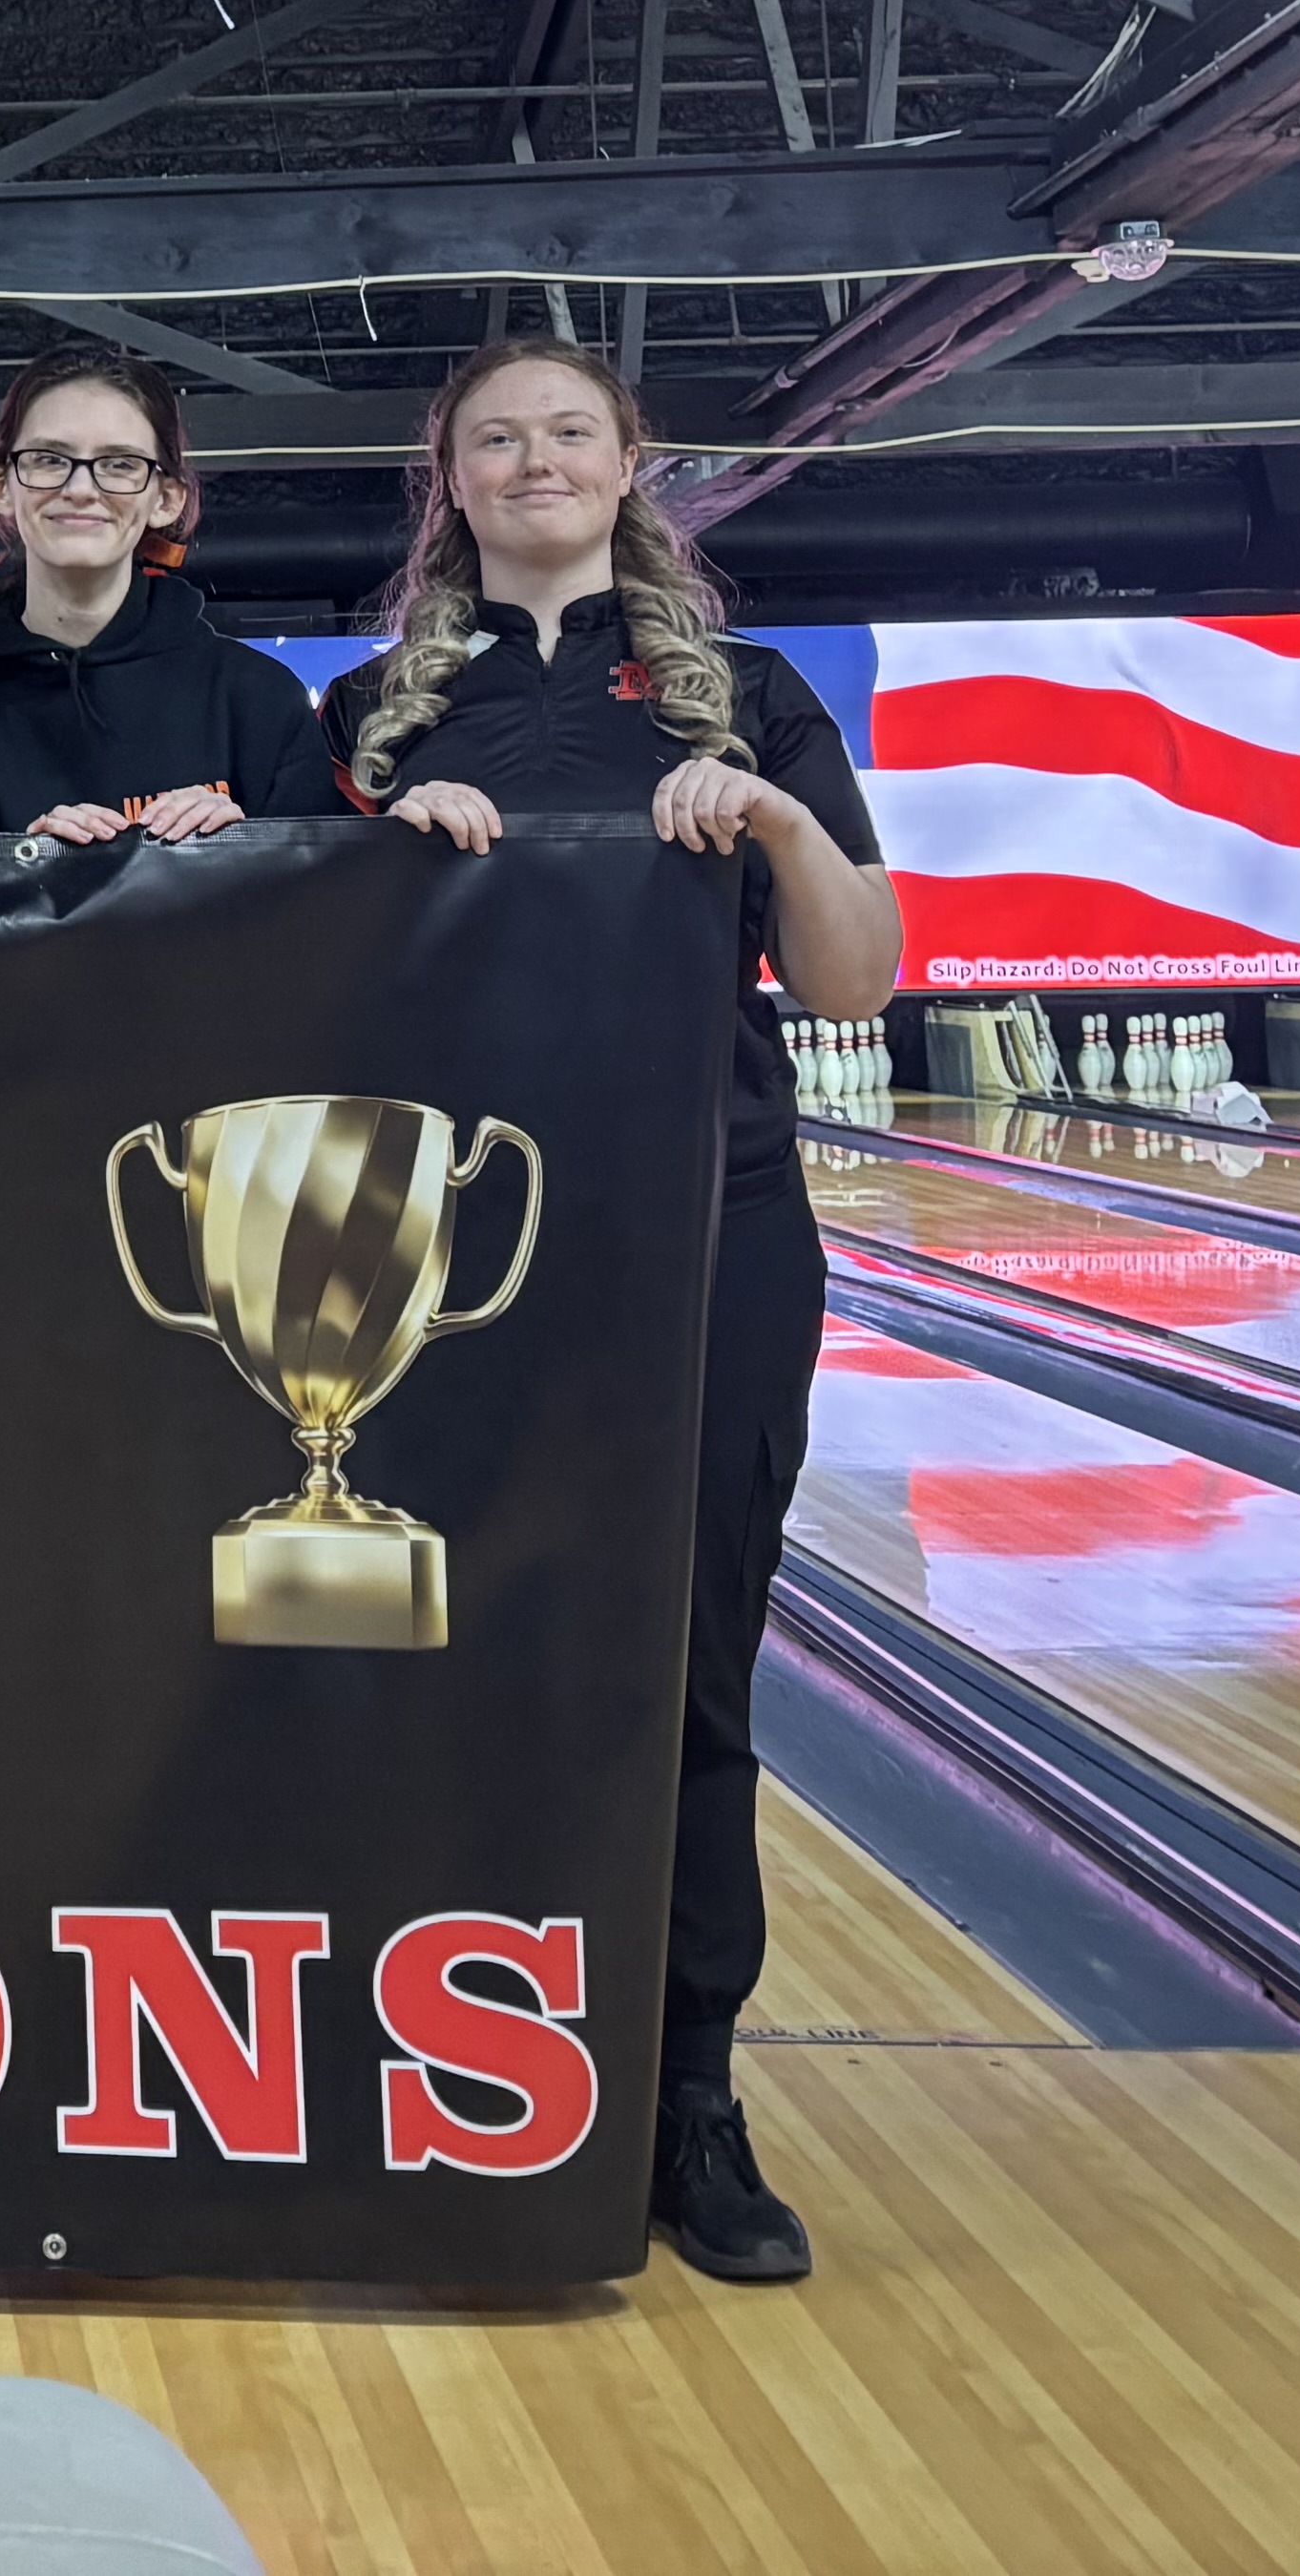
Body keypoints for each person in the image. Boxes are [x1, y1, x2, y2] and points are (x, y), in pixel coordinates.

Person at [319, 334, 898, 2291]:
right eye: (496, 437)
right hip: (445, 1253)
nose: (534, 460)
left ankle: (685, 2096)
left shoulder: (752, 692)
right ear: (451, 475)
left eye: (568, 431)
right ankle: (446, 2064)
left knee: (690, 1664)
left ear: (630, 458)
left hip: (709, 1225)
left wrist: (784, 825)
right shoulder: (371, 714)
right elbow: (289, 991)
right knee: (444, 1662)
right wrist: (369, 861)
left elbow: (856, 981)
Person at [0, 352, 325, 838]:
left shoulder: (258, 699)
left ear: (166, 499)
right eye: (49, 459)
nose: (80, 488)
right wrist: (26, 867)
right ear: (0, 488)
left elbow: (328, 885)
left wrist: (240, 853)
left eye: (120, 464)